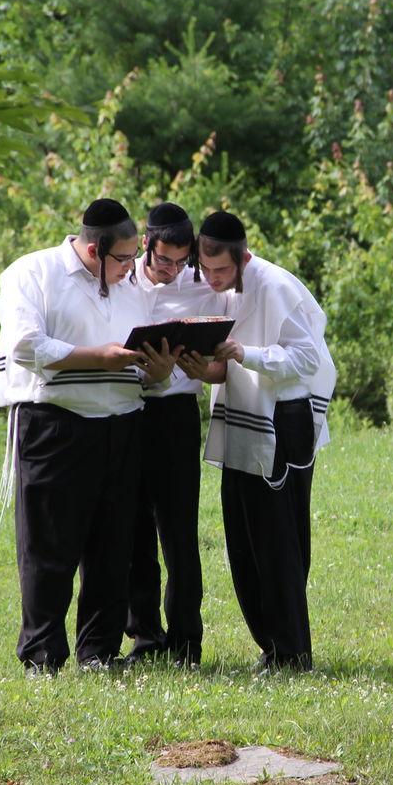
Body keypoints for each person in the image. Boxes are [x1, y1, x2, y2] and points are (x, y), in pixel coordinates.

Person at [0, 197, 178, 674]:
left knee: (112, 547)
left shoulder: (131, 286)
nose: (131, 267)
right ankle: (42, 655)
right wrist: (98, 357)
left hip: (123, 424)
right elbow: (25, 345)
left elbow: (147, 374)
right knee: (49, 545)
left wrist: (159, 370)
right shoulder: (32, 273)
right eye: (123, 258)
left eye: (135, 256)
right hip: (55, 424)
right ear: (94, 251)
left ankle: (97, 652)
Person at [181, 211, 336, 671]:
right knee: (243, 541)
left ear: (244, 256)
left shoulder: (276, 285)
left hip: (284, 422)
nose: (212, 279)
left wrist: (246, 353)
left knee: (278, 542)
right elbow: (230, 365)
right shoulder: (226, 289)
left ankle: (293, 654)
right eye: (205, 270)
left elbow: (308, 358)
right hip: (241, 417)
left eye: (222, 270)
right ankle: (271, 646)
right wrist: (204, 368)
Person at [125, 203, 231, 666]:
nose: (172, 271)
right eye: (164, 260)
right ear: (147, 246)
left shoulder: (200, 287)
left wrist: (205, 368)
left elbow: (224, 356)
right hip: (126, 413)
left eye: (181, 262)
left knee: (179, 533)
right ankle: (145, 638)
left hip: (175, 417)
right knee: (132, 533)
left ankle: (187, 642)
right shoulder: (120, 280)